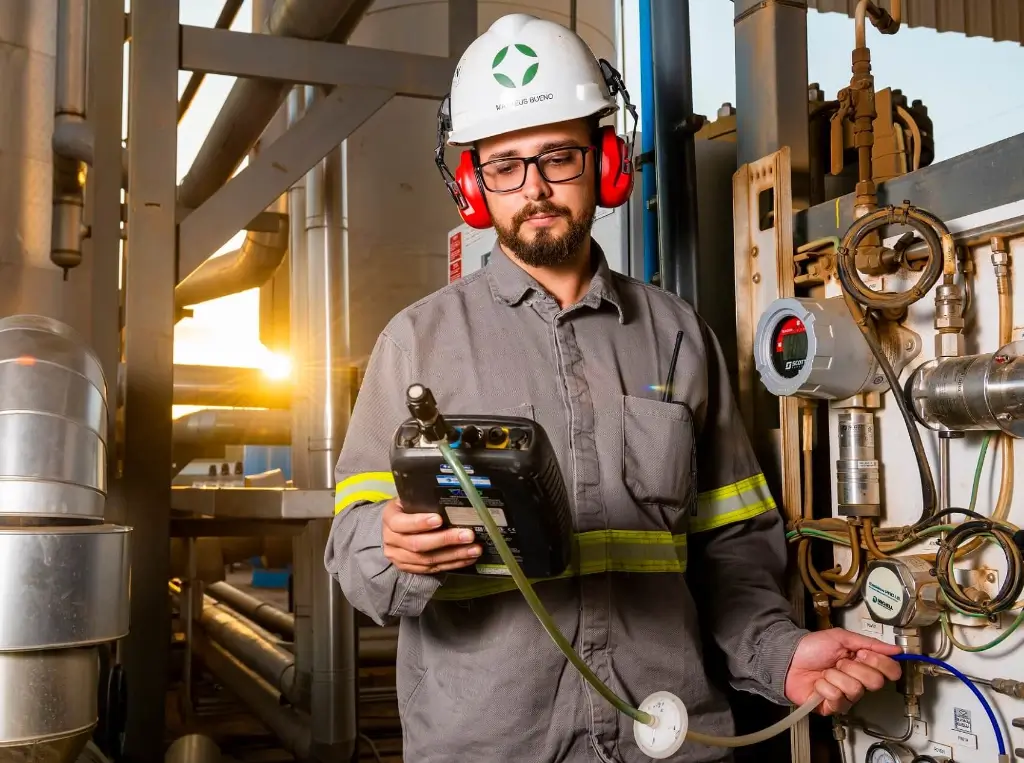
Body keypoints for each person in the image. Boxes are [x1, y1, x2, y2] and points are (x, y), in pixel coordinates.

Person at [325, 13, 901, 762]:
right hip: (492, 746)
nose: (533, 188)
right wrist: (390, 544)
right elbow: (350, 548)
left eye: (559, 157)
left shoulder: (678, 335)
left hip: (666, 738)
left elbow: (732, 550)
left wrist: (778, 652)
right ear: (472, 185)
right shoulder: (415, 343)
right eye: (505, 165)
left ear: (605, 161)